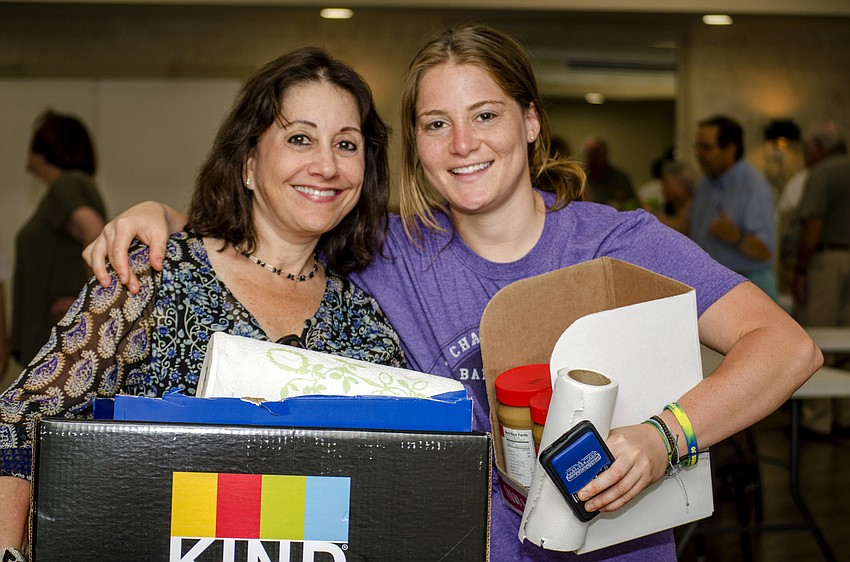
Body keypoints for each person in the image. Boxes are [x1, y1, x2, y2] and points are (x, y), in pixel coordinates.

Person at [81, 24, 821, 562]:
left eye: (486, 115)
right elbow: (279, 232)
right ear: (416, 144)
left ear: (530, 121)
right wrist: (169, 225)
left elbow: (786, 347)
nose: (463, 143)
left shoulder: (614, 243)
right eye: (436, 124)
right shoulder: (391, 251)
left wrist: (664, 438)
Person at [0, 47, 405, 559]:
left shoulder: (366, 327)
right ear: (249, 164)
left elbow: (388, 491)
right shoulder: (153, 276)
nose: (326, 165)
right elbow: (19, 423)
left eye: (346, 144)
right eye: (299, 138)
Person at [9, 111, 108, 368]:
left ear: (44, 148)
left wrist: (90, 303)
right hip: (54, 338)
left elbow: (95, 232)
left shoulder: (67, 185)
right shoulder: (71, 186)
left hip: (58, 339)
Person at [792, 120, 850, 436]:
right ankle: (845, 415)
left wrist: (800, 268)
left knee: (819, 337)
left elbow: (813, 223)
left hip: (828, 260)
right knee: (847, 339)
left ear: (816, 149)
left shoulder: (822, 173)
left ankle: (817, 420)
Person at [690, 115, 779, 302]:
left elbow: (765, 250)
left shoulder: (753, 186)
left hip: (748, 287)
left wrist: (736, 238)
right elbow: (691, 225)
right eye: (697, 147)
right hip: (713, 286)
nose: (698, 154)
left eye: (706, 148)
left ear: (730, 149)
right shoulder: (706, 184)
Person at [581, 135, 638, 210]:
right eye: (591, 154)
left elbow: (634, 204)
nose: (594, 158)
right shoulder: (578, 178)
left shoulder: (620, 178)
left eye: (597, 154)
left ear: (605, 154)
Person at [644, 159, 695, 235]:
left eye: (666, 183)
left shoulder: (695, 205)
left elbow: (685, 227)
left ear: (681, 185)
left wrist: (652, 215)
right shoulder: (671, 207)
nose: (663, 188)